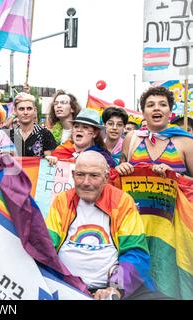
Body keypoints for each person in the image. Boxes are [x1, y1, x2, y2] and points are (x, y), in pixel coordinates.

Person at [46, 151, 155, 300]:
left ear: (106, 178)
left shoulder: (122, 201)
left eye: (94, 175)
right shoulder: (62, 200)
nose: (86, 182)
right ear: (73, 175)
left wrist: (115, 289)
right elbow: (46, 247)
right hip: (66, 287)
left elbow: (135, 252)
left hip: (115, 289)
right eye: (80, 175)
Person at [116, 86, 193, 178]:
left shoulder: (186, 142)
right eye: (150, 105)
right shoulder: (131, 138)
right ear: (143, 113)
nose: (157, 108)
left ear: (170, 112)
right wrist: (120, 168)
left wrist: (175, 176)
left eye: (163, 104)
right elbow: (119, 173)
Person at [47, 108, 116, 168]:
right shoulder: (60, 151)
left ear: (95, 133)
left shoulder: (103, 157)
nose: (79, 130)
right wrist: (48, 163)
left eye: (85, 127)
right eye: (76, 126)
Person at [8, 92, 57, 157]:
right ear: (15, 111)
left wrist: (50, 158)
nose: (25, 112)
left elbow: (50, 163)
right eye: (21, 109)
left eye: (29, 108)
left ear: (34, 110)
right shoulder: (9, 136)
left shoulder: (45, 134)